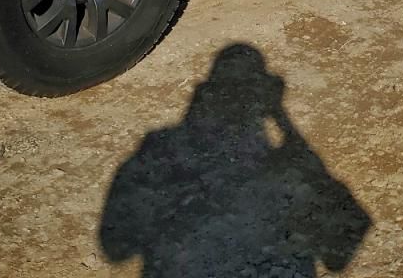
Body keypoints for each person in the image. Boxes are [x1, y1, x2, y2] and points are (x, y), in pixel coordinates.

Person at [100, 44, 371, 277]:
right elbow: (339, 254)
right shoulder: (284, 166)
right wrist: (281, 117)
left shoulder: (159, 148)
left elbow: (115, 248)